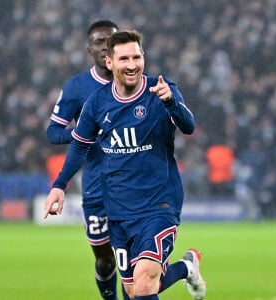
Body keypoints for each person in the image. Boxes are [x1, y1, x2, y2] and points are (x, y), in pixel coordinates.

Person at [45, 29, 206, 300]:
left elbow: (189, 126)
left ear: (143, 57)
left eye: (136, 57)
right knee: (133, 291)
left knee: (144, 285)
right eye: (124, 59)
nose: (131, 65)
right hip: (118, 208)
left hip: (159, 204)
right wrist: (59, 185)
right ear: (110, 63)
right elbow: (80, 144)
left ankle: (183, 267)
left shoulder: (161, 89)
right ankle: (187, 267)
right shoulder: (97, 102)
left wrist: (170, 102)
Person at [46, 20, 128, 300]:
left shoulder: (136, 80)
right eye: (99, 42)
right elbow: (54, 132)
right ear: (89, 49)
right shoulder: (78, 86)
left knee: (135, 260)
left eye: (112, 41)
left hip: (133, 183)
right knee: (106, 259)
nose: (106, 46)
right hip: (96, 184)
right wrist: (83, 134)